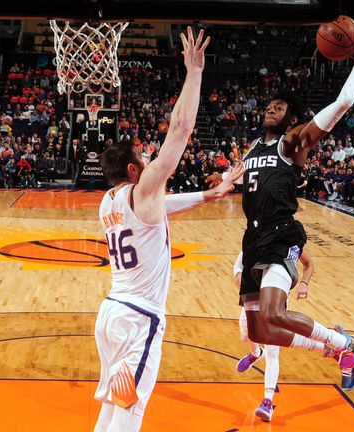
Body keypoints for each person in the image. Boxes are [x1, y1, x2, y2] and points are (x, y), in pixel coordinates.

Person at [93, 28, 230, 432]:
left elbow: (164, 209)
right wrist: (194, 72)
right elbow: (181, 128)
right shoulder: (143, 188)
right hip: (140, 319)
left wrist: (212, 194)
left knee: (111, 409)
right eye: (144, 159)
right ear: (135, 170)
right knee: (129, 415)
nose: (151, 160)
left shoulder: (108, 203)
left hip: (112, 314)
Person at [226, 28, 354, 391]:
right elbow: (240, 182)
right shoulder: (255, 145)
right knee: (260, 330)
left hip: (282, 234)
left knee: (274, 312)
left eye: (279, 108)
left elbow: (343, 103)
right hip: (253, 237)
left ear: (292, 119)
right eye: (268, 106)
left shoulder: (293, 142)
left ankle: (345, 344)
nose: (270, 109)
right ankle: (332, 347)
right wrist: (225, 181)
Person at [234, 248, 313, 422]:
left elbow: (308, 263)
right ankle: (255, 354)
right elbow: (239, 262)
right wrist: (238, 274)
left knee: (272, 351)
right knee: (245, 337)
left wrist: (304, 283)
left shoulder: (291, 241)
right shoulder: (259, 236)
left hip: (276, 300)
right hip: (253, 296)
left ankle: (267, 401)